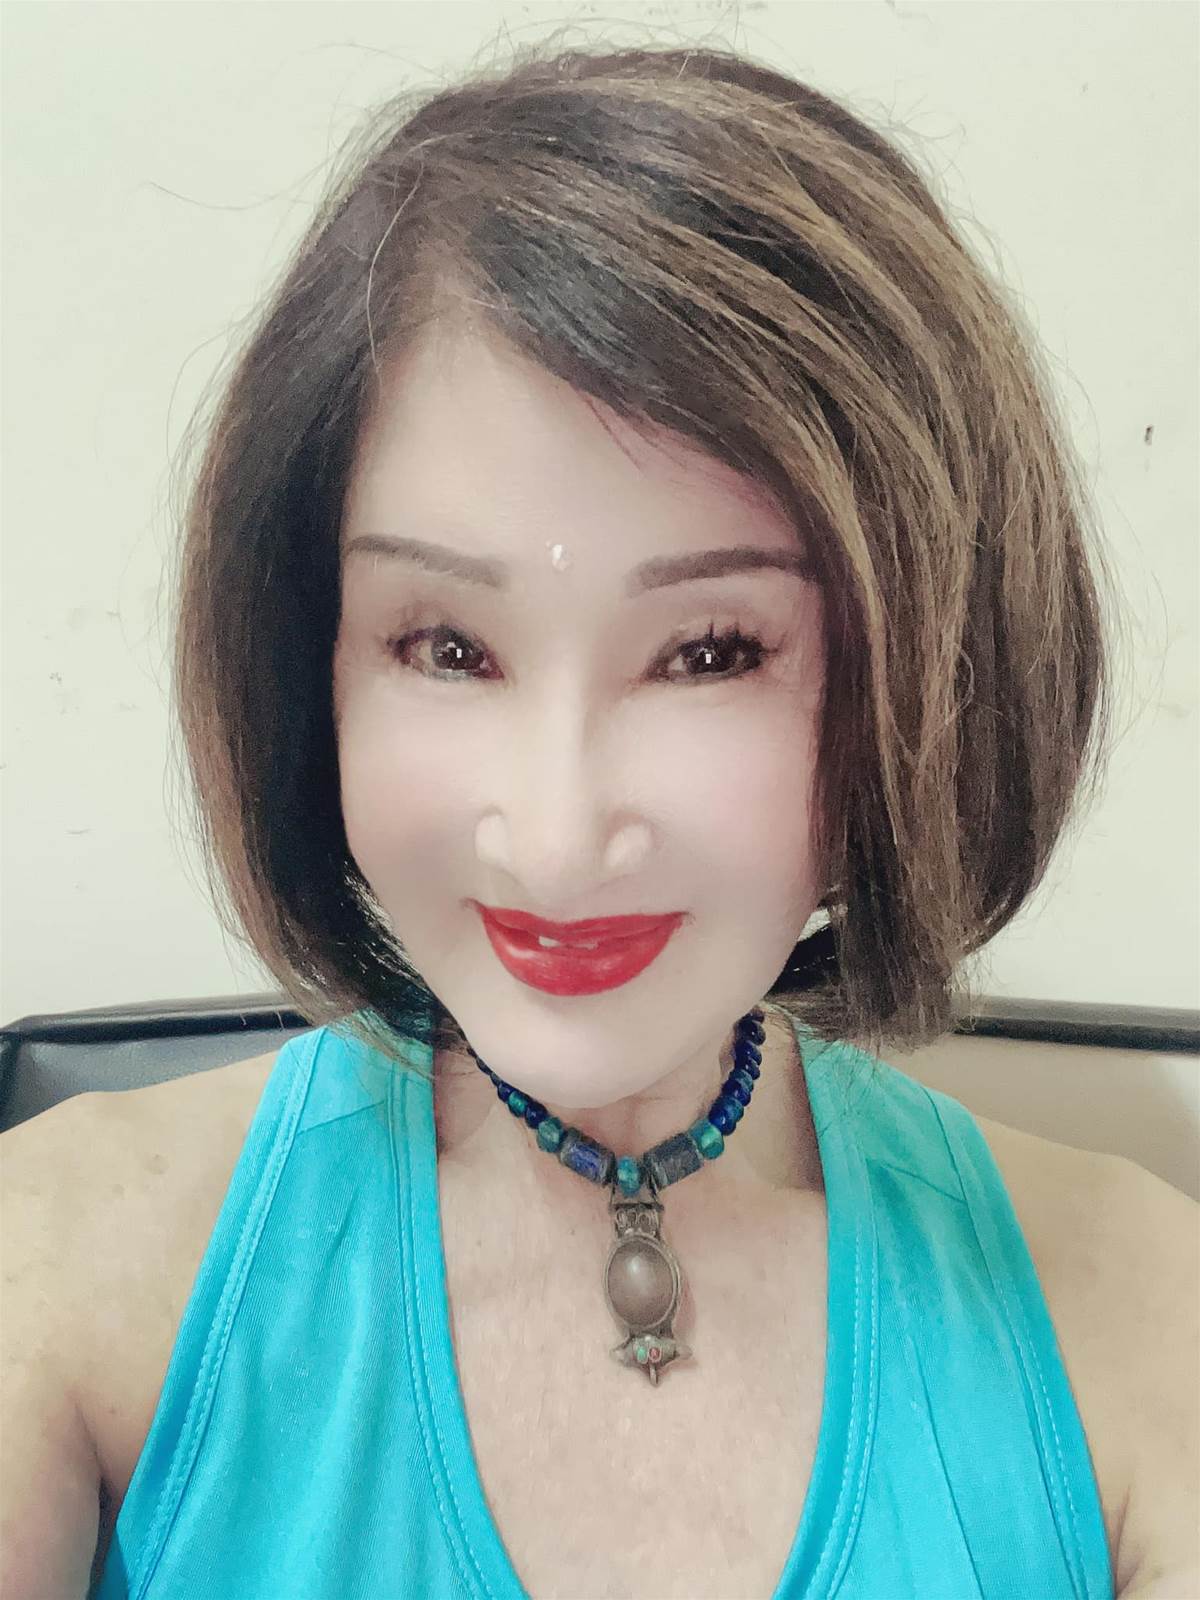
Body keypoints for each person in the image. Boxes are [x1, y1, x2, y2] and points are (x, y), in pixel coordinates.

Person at [2, 38, 1196, 1600]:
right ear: (312, 662)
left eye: (711, 653)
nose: (556, 839)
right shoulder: (61, 1265)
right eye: (447, 646)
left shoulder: (1143, 1321)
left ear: (932, 677)